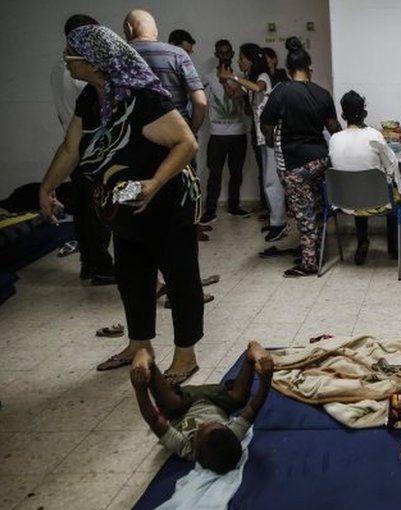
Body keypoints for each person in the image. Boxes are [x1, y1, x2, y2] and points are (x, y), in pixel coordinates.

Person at [39, 24, 203, 384]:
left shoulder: (144, 99)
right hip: (123, 209)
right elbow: (71, 147)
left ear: (93, 60)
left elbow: (186, 143)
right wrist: (47, 187)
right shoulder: (91, 99)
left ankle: (185, 355)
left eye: (71, 54)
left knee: (180, 279)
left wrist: (155, 183)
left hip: (166, 205)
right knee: (132, 279)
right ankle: (139, 345)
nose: (66, 60)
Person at [259, 37, 341, 277]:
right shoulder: (322, 93)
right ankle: (314, 249)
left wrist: (277, 143)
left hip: (294, 163)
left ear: (290, 68)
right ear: (310, 68)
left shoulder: (280, 92)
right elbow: (334, 128)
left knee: (303, 211)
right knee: (315, 206)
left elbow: (266, 126)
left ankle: (309, 263)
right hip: (320, 160)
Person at [128, 341, 273, 473]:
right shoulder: (232, 435)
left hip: (182, 403)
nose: (204, 422)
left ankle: (146, 359)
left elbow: (154, 421)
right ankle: (251, 355)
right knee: (239, 399)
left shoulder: (185, 448)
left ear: (196, 450)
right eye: (215, 423)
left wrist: (140, 390)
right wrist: (266, 379)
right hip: (216, 399)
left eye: (201, 429)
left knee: (170, 407)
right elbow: (254, 408)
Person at [51, 14, 115, 285]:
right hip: (90, 147)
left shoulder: (58, 67)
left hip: (74, 144)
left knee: (85, 209)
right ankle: (101, 267)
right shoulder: (83, 71)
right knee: (99, 209)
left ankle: (89, 264)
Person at [328, 90, 401, 264]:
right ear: (365, 114)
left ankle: (362, 240)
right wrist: (398, 189)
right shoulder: (374, 136)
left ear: (342, 115)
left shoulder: (334, 139)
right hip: (377, 202)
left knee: (358, 189)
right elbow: (392, 166)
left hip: (344, 203)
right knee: (396, 191)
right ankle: (398, 248)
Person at [220, 43, 287, 236]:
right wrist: (224, 81)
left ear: (251, 60)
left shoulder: (262, 77)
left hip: (271, 136)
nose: (239, 61)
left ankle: (279, 223)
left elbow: (258, 87)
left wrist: (232, 76)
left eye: (241, 58)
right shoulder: (250, 79)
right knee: (267, 179)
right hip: (261, 136)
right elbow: (234, 94)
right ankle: (276, 220)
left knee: (271, 181)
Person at [123, 10, 206, 135]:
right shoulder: (179, 54)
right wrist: (191, 132)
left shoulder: (117, 57)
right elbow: (200, 102)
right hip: (177, 133)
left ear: (129, 29)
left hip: (134, 135)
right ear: (155, 30)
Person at [200, 40, 249, 223]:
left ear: (232, 53)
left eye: (227, 52)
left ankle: (234, 206)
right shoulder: (208, 76)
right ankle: (210, 209)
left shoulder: (240, 76)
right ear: (216, 55)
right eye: (221, 52)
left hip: (238, 132)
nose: (224, 55)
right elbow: (200, 100)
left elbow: (243, 100)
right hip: (217, 134)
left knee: (236, 172)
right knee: (214, 173)